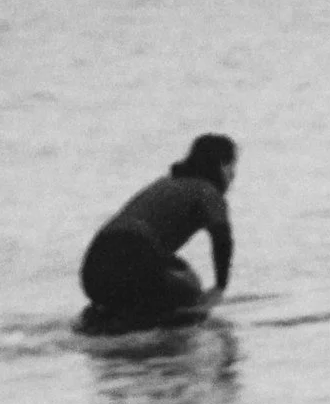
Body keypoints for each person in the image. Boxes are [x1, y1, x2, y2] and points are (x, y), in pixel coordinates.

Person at [79, 134, 237, 330]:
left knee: (170, 288)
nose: (233, 175)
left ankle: (100, 320)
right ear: (221, 165)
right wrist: (220, 286)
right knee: (190, 302)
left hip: (93, 271)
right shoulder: (207, 191)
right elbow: (222, 238)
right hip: (132, 260)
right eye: (232, 166)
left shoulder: (164, 185)